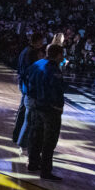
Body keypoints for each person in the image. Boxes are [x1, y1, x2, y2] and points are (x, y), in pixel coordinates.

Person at [25, 43, 66, 181]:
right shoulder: (53, 70)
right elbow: (56, 90)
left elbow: (26, 79)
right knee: (49, 141)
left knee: (35, 136)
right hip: (50, 109)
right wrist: (58, 106)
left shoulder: (36, 64)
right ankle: (45, 171)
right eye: (62, 54)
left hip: (35, 105)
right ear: (59, 55)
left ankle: (32, 164)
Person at [13, 32, 45, 146]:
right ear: (36, 42)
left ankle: (17, 135)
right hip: (27, 85)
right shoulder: (31, 53)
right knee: (25, 113)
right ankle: (20, 139)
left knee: (22, 110)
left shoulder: (26, 50)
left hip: (24, 83)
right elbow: (30, 70)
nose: (42, 44)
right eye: (41, 42)